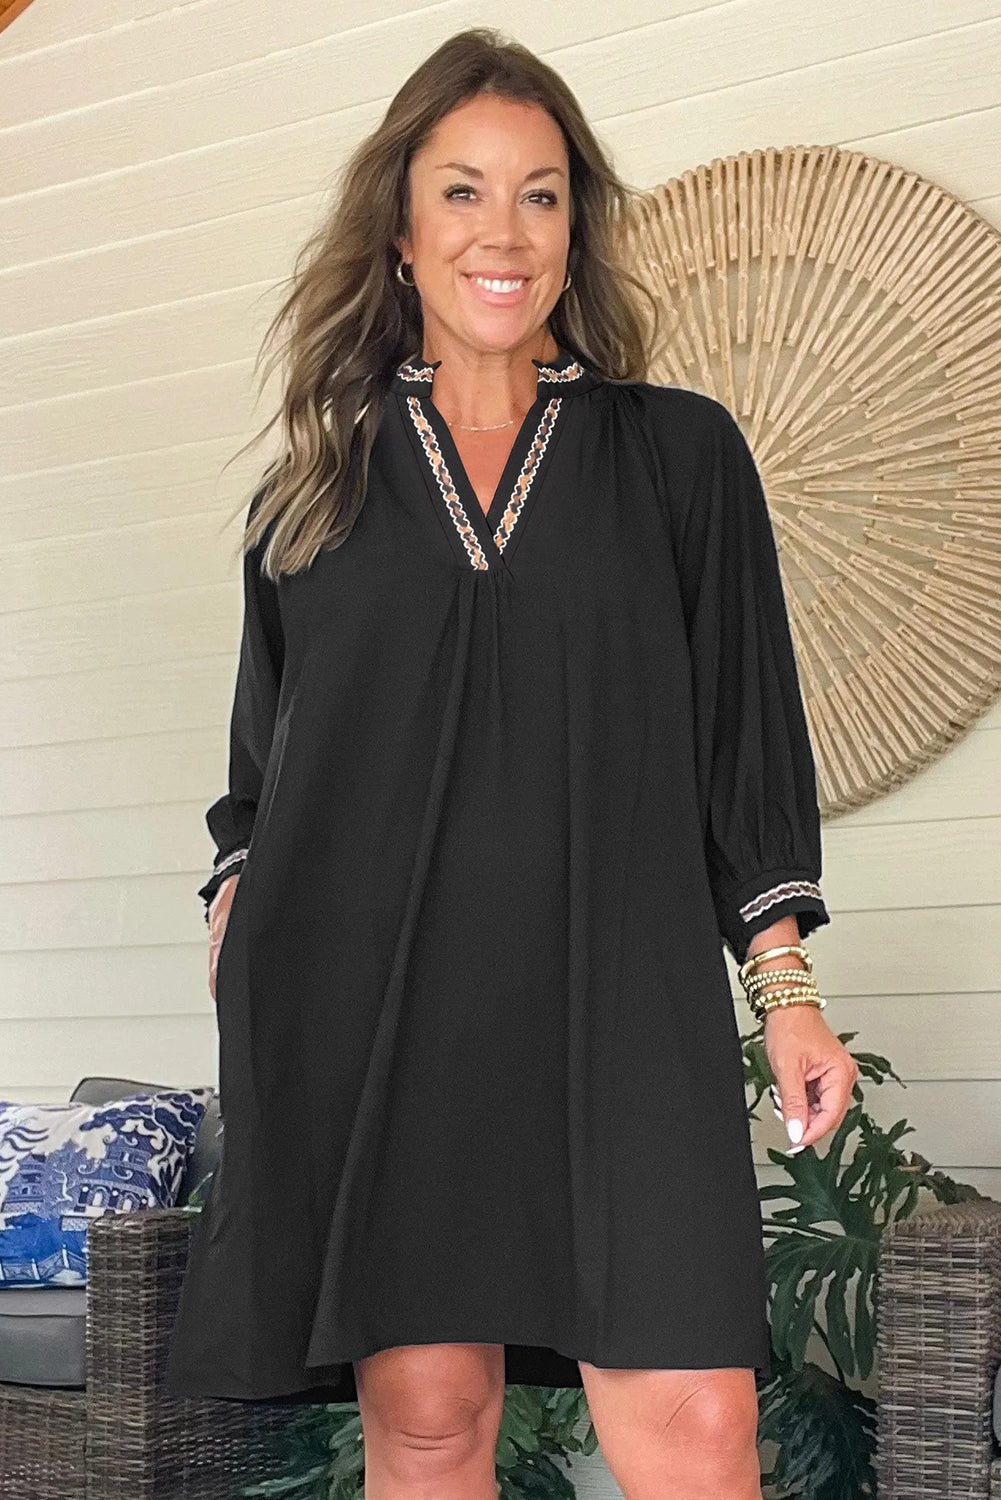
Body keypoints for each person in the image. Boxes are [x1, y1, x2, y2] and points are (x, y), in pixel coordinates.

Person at [164, 27, 859, 1500]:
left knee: (695, 1427)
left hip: (620, 1000)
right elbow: (259, 769)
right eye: (464, 191)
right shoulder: (316, 490)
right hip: (383, 1008)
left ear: (574, 229)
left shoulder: (678, 458)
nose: (504, 232)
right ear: (402, 231)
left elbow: (743, 736)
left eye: (540, 196)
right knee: (426, 1428)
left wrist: (784, 988)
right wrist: (239, 888)